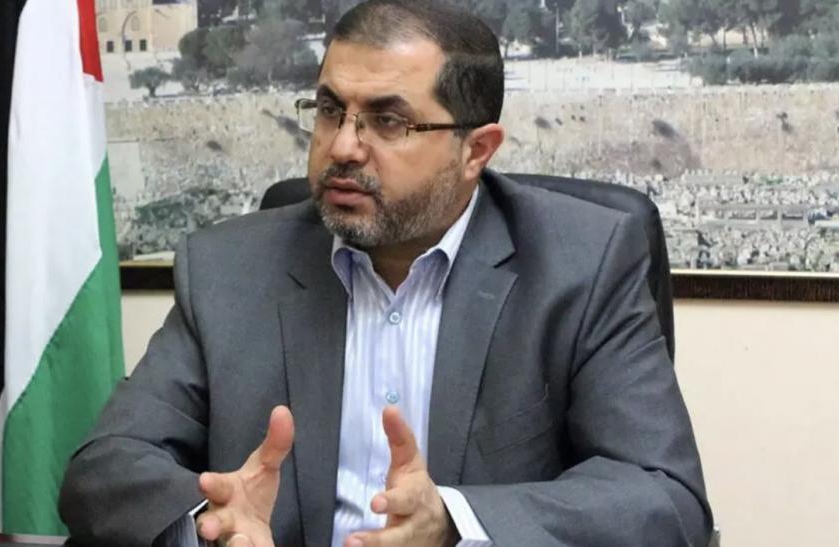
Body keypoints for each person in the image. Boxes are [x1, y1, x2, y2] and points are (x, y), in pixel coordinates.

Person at [59, 1, 712, 546]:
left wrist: (455, 520)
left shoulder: (583, 262)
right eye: (329, 110)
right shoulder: (229, 267)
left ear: (475, 150)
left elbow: (662, 495)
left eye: (388, 120)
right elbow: (105, 466)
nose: (343, 146)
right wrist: (209, 519)